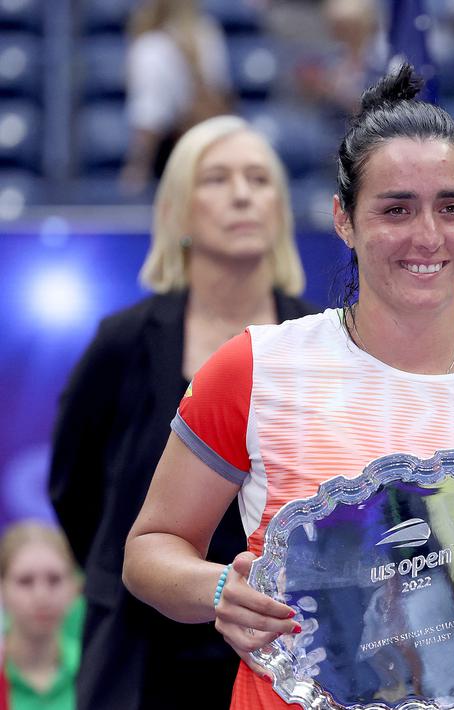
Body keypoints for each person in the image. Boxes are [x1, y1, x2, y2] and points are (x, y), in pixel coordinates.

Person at [121, 66, 454, 710]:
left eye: (452, 207)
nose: (428, 235)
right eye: (396, 209)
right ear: (344, 220)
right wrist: (218, 591)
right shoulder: (256, 366)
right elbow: (149, 551)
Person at [48, 115, 318, 710]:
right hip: (142, 649)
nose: (242, 195)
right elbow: (74, 485)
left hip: (289, 642)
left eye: (259, 179)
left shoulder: (323, 343)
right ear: (176, 210)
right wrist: (130, 572)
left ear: (280, 208)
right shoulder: (123, 342)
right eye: (216, 179)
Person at [120, 0, 233, 194]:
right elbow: (222, 89)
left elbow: (150, 117)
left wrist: (138, 167)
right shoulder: (207, 31)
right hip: (210, 145)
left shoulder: (151, 46)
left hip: (172, 154)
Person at [0, 522, 81, 710]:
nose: (42, 596)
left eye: (54, 580)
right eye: (25, 581)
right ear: (2, 589)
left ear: (74, 587)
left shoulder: (95, 668)